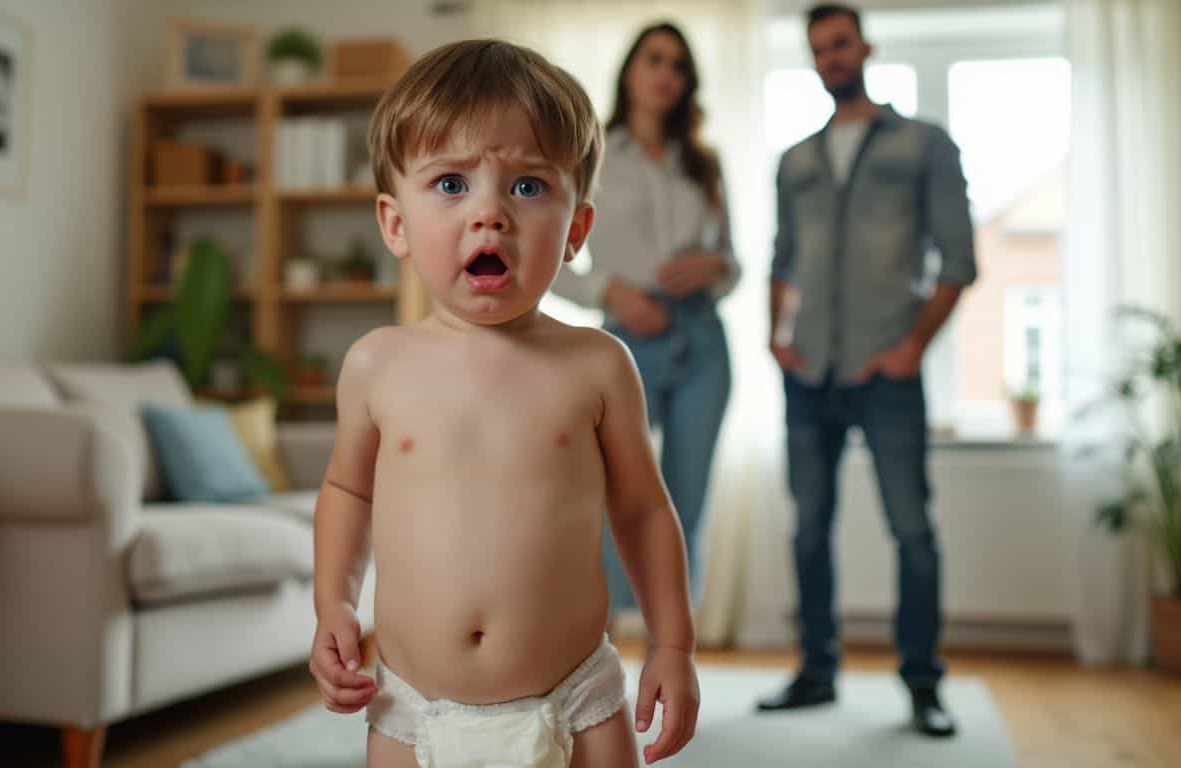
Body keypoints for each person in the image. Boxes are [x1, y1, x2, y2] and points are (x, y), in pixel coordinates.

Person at [307, 39, 700, 767]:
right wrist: (334, 602)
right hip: (411, 708)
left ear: (577, 228)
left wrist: (672, 645)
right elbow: (347, 490)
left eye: (526, 187)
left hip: (576, 701)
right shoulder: (376, 365)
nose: (489, 214)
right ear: (395, 224)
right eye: (451, 184)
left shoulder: (597, 365)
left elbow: (645, 510)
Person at [757, 3, 976, 738]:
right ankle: (815, 671)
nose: (832, 58)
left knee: (911, 530)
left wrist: (914, 345)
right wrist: (774, 335)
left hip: (887, 373)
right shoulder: (795, 160)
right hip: (807, 373)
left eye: (841, 44)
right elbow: (781, 259)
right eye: (819, 49)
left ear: (865, 47)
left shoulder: (923, 145)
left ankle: (922, 684)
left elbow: (959, 260)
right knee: (807, 529)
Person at [552, 22, 739, 632]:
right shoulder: (592, 154)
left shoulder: (704, 163)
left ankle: (672, 652)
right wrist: (609, 290)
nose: (667, 74)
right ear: (631, 69)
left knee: (686, 501)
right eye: (655, 60)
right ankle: (593, 649)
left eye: (679, 65)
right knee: (611, 497)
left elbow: (733, 264)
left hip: (702, 337)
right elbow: (549, 255)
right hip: (626, 339)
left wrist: (716, 265)